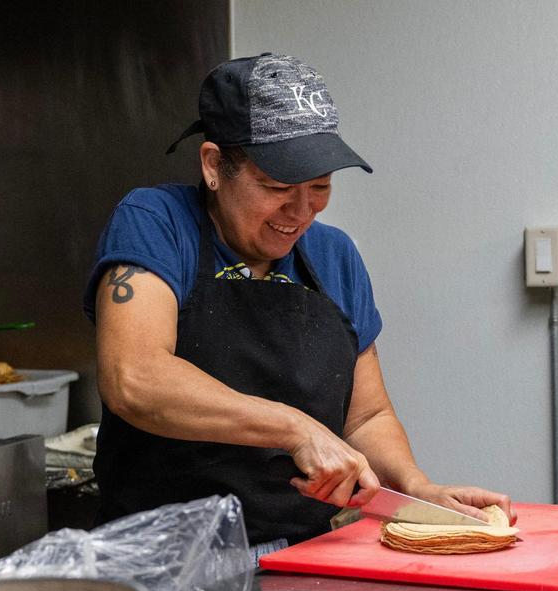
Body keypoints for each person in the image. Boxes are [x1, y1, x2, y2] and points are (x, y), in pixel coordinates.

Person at [83, 52, 513, 556]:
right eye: (277, 187)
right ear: (214, 165)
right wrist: (294, 428)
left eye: (321, 187)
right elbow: (134, 377)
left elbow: (367, 417)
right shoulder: (156, 223)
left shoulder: (334, 256)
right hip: (163, 562)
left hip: (308, 557)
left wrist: (417, 489)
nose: (302, 210)